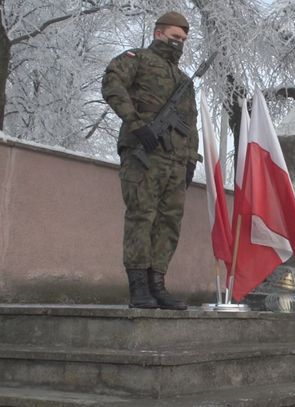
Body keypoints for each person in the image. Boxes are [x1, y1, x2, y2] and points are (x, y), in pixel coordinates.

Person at [101, 11, 200, 310]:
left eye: (183, 40)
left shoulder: (184, 80)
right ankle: (139, 287)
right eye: (174, 37)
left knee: (169, 222)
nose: (179, 44)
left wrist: (191, 160)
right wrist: (135, 123)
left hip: (175, 161)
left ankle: (158, 284)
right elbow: (112, 82)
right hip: (143, 154)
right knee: (141, 216)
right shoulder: (138, 58)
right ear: (158, 33)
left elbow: (190, 123)